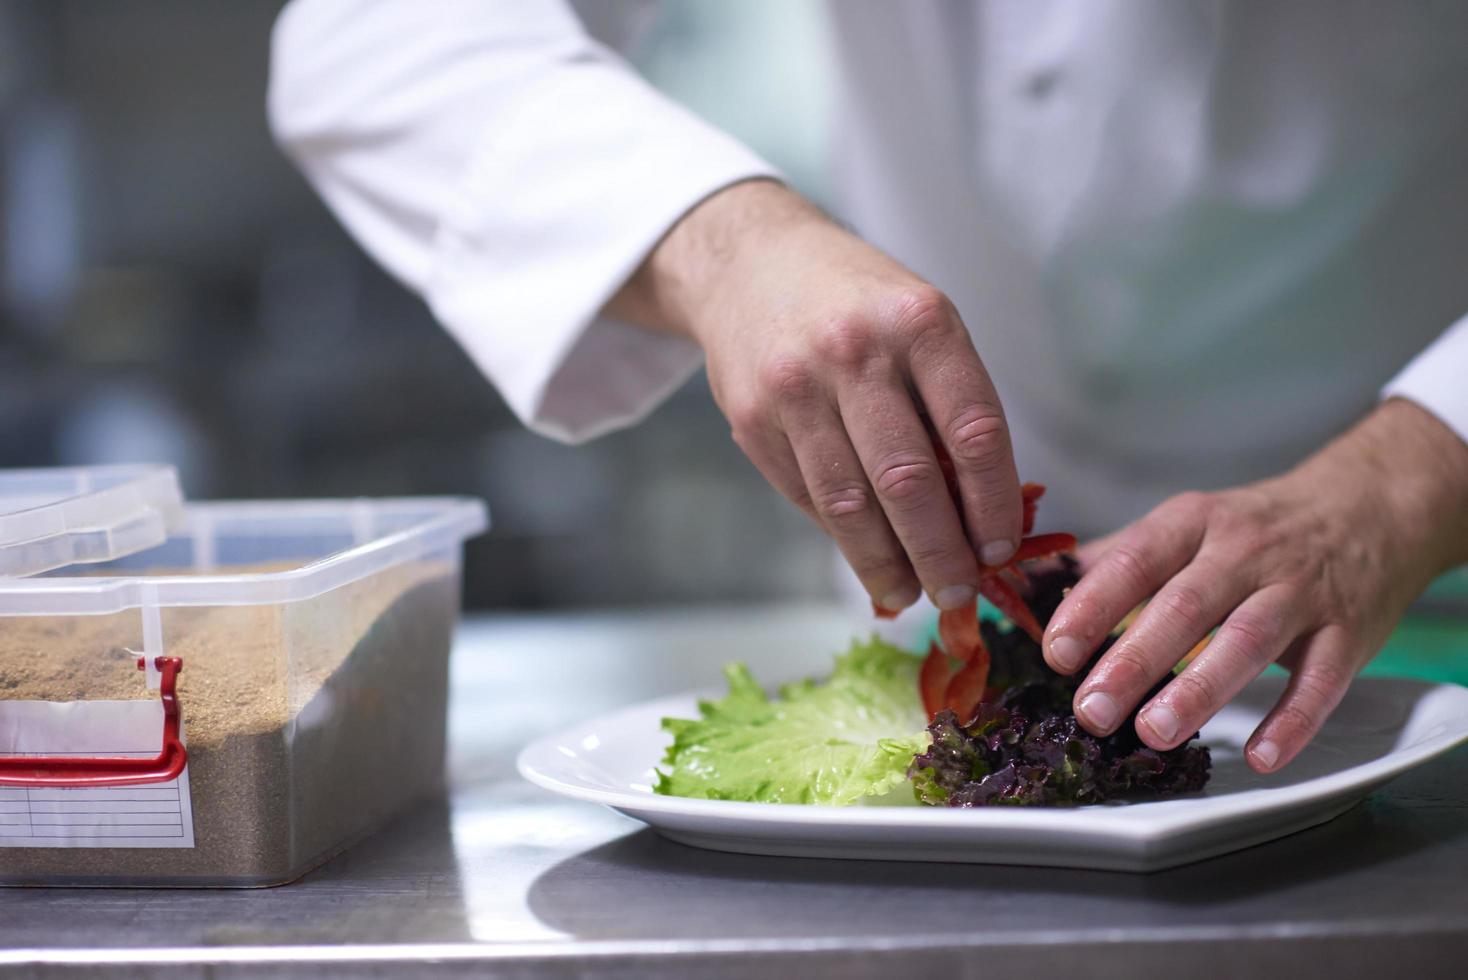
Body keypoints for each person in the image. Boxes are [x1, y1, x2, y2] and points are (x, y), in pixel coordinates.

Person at [267, 0, 1468, 774]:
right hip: (971, 631)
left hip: (1428, 583)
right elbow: (373, 37)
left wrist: (1406, 482)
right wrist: (723, 240)